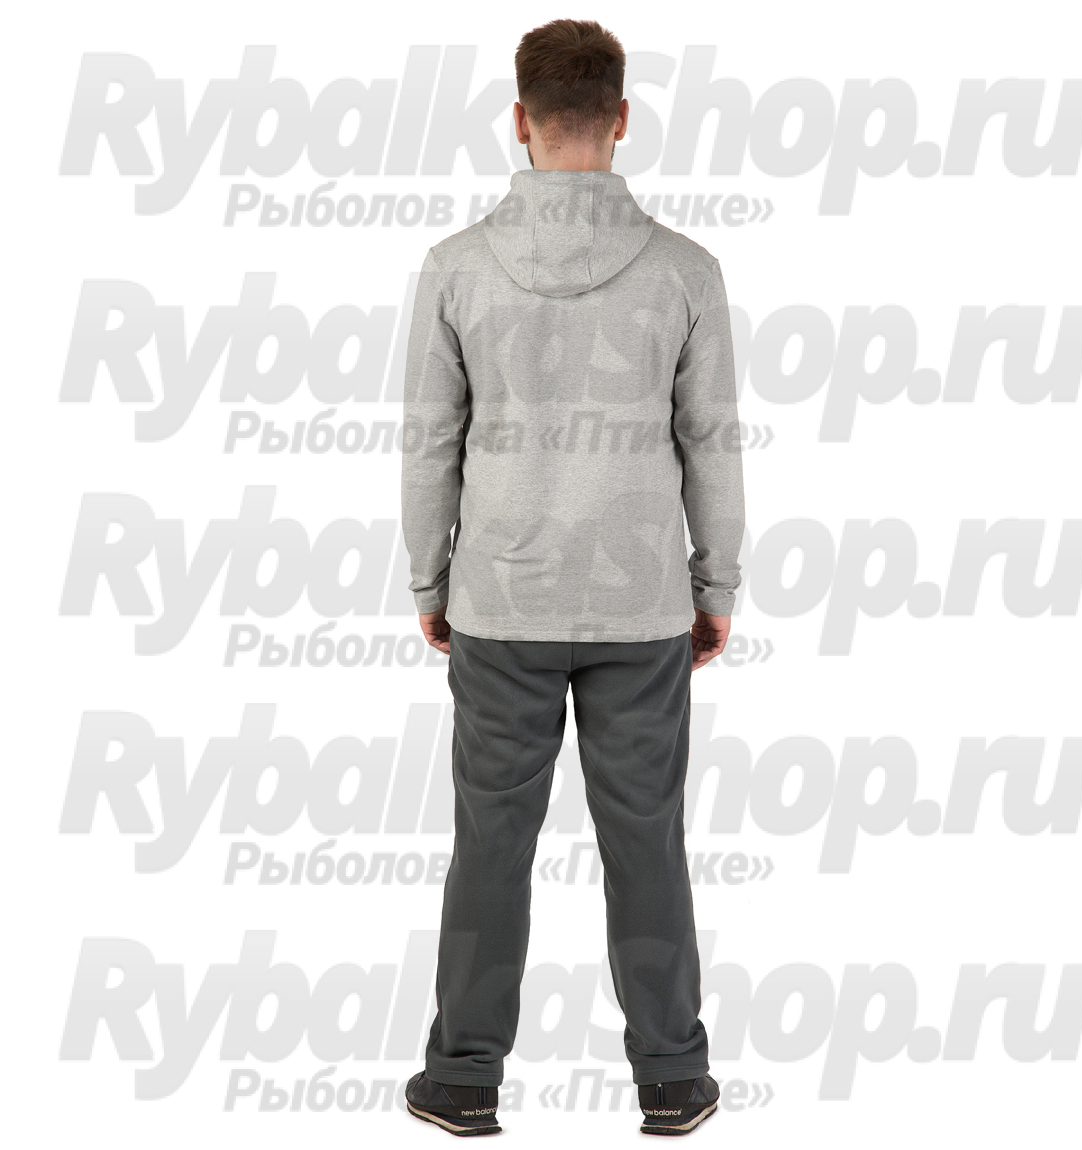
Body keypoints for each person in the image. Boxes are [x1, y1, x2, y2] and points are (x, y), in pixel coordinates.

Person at [400, 18, 744, 1138]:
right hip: (642, 605)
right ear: (621, 118)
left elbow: (429, 443)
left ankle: (462, 1079)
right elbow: (712, 443)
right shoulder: (687, 272)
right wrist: (715, 587)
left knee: (489, 845)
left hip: (500, 601)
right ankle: (673, 1079)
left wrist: (430, 582)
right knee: (646, 839)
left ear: (519, 120)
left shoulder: (455, 268)